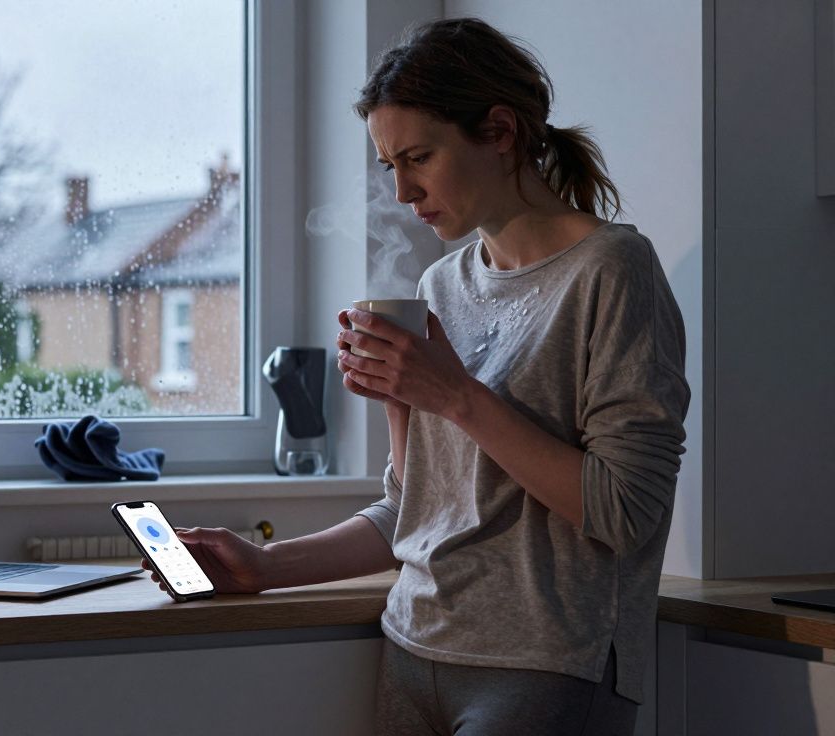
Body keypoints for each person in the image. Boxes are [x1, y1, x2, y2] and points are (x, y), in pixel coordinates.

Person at [140, 17, 690, 736]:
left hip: (547, 670)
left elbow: (625, 512)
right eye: (387, 166)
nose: (402, 191)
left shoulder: (613, 272)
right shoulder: (439, 288)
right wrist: (264, 565)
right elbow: (413, 510)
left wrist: (454, 396)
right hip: (412, 654)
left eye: (419, 157)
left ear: (499, 131)